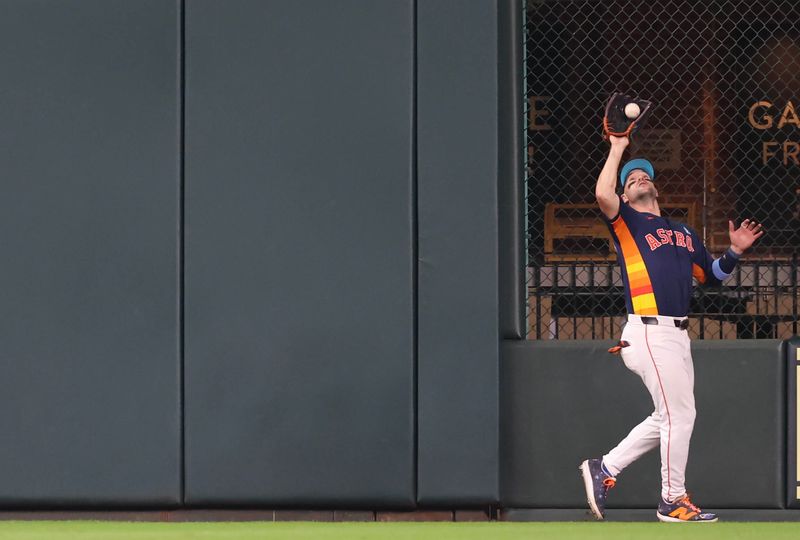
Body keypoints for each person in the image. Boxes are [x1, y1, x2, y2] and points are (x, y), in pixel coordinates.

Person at [579, 134, 764, 523]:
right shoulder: (626, 222)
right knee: (681, 415)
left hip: (677, 335)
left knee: (670, 415)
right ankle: (672, 499)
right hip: (648, 330)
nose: (638, 180)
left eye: (643, 176)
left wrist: (733, 252)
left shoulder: (684, 232)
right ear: (626, 197)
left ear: (655, 186)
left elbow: (710, 277)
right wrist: (617, 148)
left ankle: (605, 468)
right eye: (630, 181)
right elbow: (601, 194)